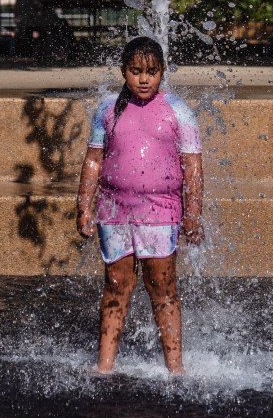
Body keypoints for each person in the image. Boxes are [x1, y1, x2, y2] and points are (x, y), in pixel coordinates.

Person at [76, 36, 204, 374]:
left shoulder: (178, 111)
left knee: (162, 288)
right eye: (135, 71)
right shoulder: (107, 109)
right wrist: (84, 206)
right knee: (116, 285)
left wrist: (192, 215)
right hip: (114, 211)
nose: (143, 79)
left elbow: (192, 168)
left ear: (163, 72)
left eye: (151, 72)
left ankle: (175, 368)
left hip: (160, 213)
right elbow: (93, 160)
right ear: (123, 71)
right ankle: (104, 366)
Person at [14, 0, 74, 64]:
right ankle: (60, 52)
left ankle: (58, 52)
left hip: (36, 16)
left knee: (59, 23)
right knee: (59, 24)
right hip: (27, 18)